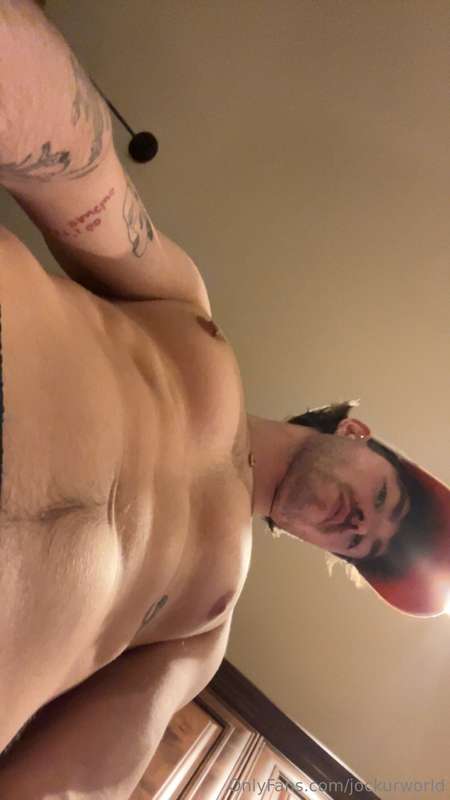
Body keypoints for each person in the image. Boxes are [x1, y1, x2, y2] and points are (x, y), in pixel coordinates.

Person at [0, 2, 448, 797]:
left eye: (366, 548)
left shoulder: (203, 629)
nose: (362, 525)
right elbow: (77, 168)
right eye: (385, 498)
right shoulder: (190, 322)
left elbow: (80, 782)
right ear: (357, 433)